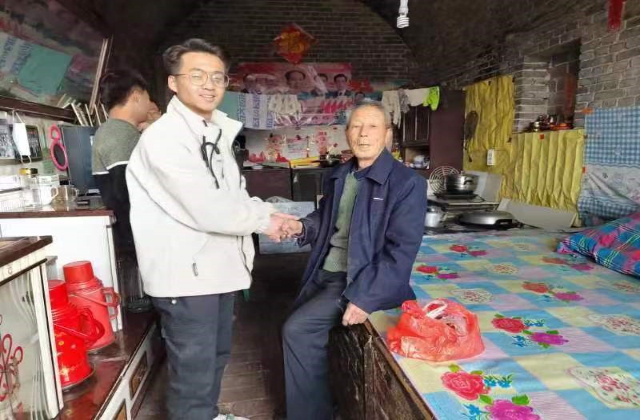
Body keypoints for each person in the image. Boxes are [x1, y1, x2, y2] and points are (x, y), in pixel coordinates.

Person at [126, 38, 293, 420]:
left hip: (215, 271)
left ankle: (209, 415)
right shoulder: (165, 139)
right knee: (193, 375)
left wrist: (268, 213)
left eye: (218, 77)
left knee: (214, 358)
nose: (209, 84)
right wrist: (267, 221)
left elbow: (232, 197)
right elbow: (209, 209)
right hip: (186, 277)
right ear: (173, 83)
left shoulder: (211, 133)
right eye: (197, 75)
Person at [280, 101, 427, 420]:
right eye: (356, 126)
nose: (363, 134)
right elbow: (327, 216)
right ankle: (324, 401)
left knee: (297, 330)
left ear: (387, 134)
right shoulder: (340, 175)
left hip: (359, 278)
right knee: (295, 317)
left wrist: (365, 297)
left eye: (372, 126)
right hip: (326, 270)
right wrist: (302, 227)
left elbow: (401, 251)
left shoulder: (407, 183)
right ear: (346, 133)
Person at [92, 68, 151, 250]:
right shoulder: (120, 135)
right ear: (136, 96)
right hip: (137, 239)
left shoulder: (113, 131)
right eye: (148, 97)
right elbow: (127, 193)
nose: (149, 104)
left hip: (133, 236)